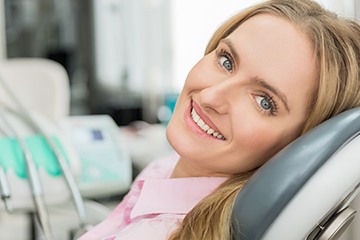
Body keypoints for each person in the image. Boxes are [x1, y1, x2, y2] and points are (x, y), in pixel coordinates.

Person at [79, 0, 360, 239]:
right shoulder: (166, 169)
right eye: (226, 61)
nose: (212, 96)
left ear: (299, 146)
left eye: (264, 102)